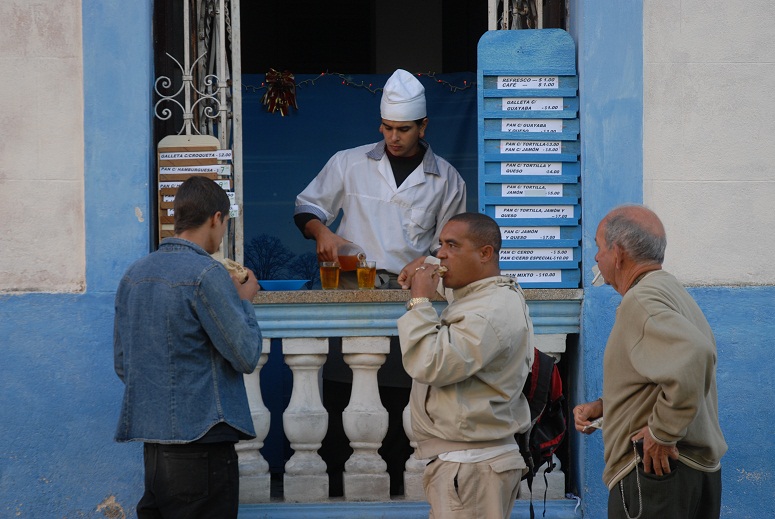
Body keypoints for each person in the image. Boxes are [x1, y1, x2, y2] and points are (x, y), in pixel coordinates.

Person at [293, 69, 467, 496]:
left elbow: (451, 247)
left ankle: (396, 488)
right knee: (342, 388)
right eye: (387, 128)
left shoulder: (447, 179)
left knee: (404, 391)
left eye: (403, 129)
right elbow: (306, 207)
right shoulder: (348, 162)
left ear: (423, 126)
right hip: (351, 288)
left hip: (412, 294)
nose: (394, 137)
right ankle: (336, 486)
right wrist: (324, 233)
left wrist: (426, 262)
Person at [114, 176, 262, 519]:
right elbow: (245, 355)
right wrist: (244, 301)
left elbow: (124, 364)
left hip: (154, 447)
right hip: (203, 442)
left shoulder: (133, 275)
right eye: (224, 224)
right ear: (216, 218)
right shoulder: (206, 273)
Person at [574, 204, 727, 519]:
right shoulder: (670, 291)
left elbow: (694, 355)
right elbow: (668, 375)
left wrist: (662, 433)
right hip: (687, 473)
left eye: (598, 247)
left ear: (618, 254)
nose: (595, 258)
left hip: (659, 474)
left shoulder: (641, 300)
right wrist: (609, 406)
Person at [397, 212, 534, 519]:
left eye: (452, 245)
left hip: (472, 466)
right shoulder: (489, 294)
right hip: (472, 464)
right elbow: (460, 289)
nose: (441, 254)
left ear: (485, 253)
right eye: (440, 244)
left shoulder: (487, 312)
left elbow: (431, 363)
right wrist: (426, 265)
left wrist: (420, 302)